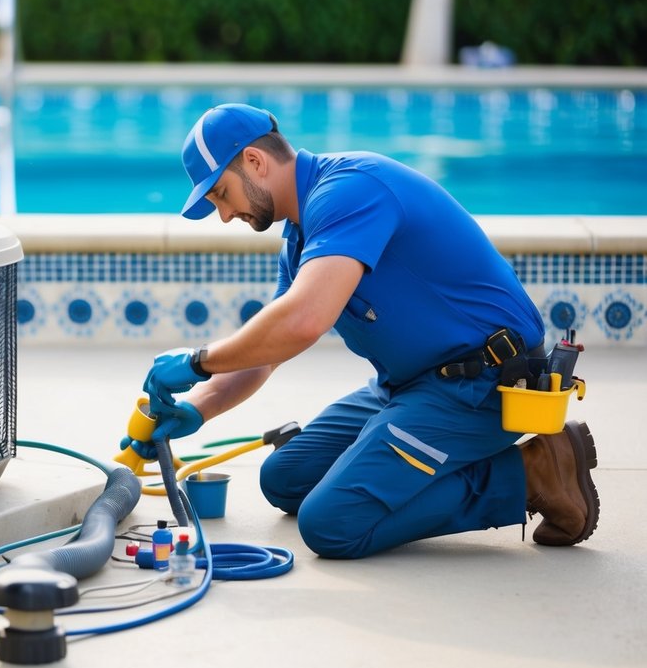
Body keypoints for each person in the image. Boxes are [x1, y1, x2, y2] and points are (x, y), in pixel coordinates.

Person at [131, 103, 600, 559]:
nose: (225, 215)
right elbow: (269, 350)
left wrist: (197, 361)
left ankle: (534, 473)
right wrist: (198, 408)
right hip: (410, 385)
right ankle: (413, 461)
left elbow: (303, 321)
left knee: (331, 524)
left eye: (221, 194)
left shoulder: (350, 190)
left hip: (483, 384)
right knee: (284, 478)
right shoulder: (300, 237)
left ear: (254, 162)